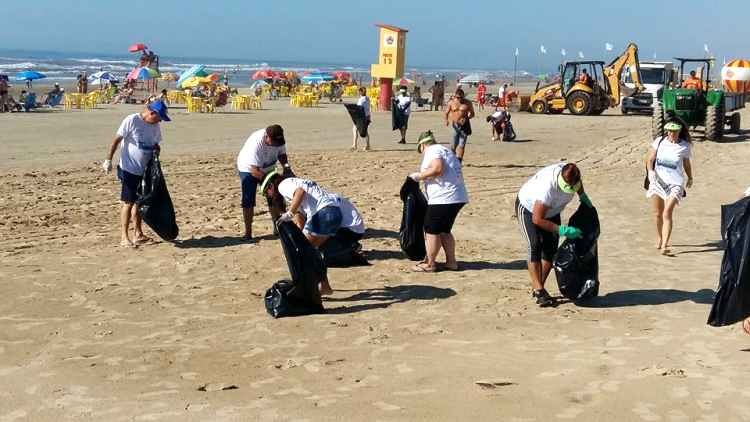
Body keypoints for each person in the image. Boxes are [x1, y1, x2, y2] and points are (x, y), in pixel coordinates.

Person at [516, 162, 593, 307]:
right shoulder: (548, 188)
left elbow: (578, 185)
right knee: (535, 246)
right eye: (567, 187)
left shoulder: (574, 177)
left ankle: (538, 287)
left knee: (550, 251)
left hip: (553, 211)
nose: (570, 190)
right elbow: (537, 219)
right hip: (528, 209)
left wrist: (583, 196)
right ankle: (539, 291)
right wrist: (562, 230)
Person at [261, 174, 347, 295]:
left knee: (305, 253)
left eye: (266, 192)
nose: (268, 196)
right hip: (334, 213)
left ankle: (313, 286)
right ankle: (323, 285)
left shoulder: (283, 185)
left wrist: (289, 213)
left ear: (271, 186)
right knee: (310, 249)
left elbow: (300, 192)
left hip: (323, 213)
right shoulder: (296, 184)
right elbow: (300, 219)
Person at [102, 100, 171, 248]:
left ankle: (138, 234)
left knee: (139, 202)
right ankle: (124, 237)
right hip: (129, 169)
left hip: (144, 170)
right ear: (152, 113)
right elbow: (116, 141)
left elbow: (156, 144)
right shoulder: (132, 120)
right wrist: (108, 160)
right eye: (159, 117)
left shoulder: (155, 126)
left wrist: (156, 154)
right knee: (128, 202)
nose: (160, 121)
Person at [409, 131, 469, 273]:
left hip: (444, 197)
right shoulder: (445, 150)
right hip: (456, 196)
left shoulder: (432, 150)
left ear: (423, 145)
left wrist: (419, 176)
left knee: (431, 229)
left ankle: (430, 263)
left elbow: (437, 168)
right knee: (444, 230)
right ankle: (451, 262)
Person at [236, 125, 293, 241]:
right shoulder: (256, 143)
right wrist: (270, 185)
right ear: (266, 137)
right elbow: (255, 171)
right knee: (248, 200)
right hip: (248, 169)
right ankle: (248, 233)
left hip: (268, 167)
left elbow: (282, 155)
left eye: (279, 143)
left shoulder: (279, 140)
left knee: (275, 196)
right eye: (274, 143)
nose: (277, 145)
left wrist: (287, 169)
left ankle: (278, 228)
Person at [646, 121, 693, 256]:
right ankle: (660, 238)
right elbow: (650, 159)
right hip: (658, 181)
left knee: (667, 213)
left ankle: (665, 245)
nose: (671, 134)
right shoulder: (659, 142)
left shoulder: (684, 146)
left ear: (679, 131)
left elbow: (686, 164)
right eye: (669, 131)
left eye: (675, 131)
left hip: (676, 184)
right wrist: (651, 172)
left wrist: (690, 178)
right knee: (657, 214)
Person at [444, 88, 475, 162]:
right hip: (455, 125)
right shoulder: (451, 103)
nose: (460, 99)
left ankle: (459, 161)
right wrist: (446, 121)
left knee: (462, 144)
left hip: (464, 125)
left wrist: (467, 118)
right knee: (454, 145)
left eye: (461, 97)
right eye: (458, 97)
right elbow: (446, 113)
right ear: (455, 96)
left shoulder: (468, 103)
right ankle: (452, 159)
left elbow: (472, 113)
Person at [351, 86, 371, 151]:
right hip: (367, 117)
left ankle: (354, 145)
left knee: (355, 129)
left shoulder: (361, 99)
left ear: (360, 92)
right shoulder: (368, 98)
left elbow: (359, 108)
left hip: (361, 117)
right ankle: (367, 145)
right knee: (366, 131)